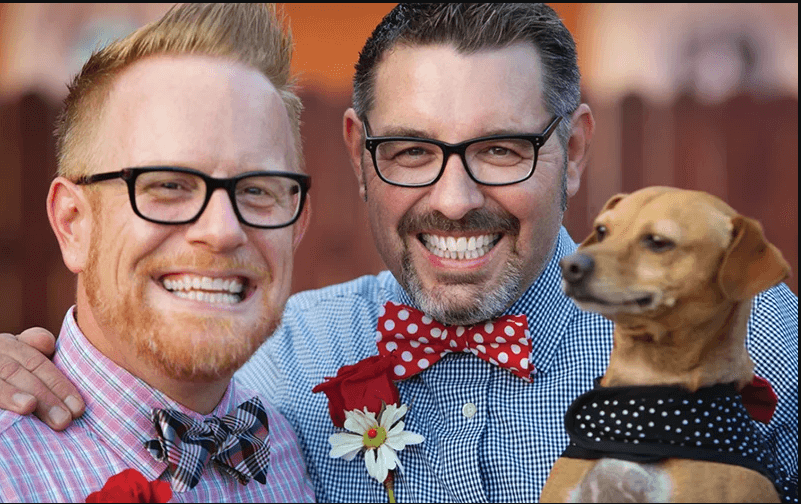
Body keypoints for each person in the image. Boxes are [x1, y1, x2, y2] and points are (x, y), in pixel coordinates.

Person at [1, 4, 797, 502]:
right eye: (412, 151)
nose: (453, 198)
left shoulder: (751, 331)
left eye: (499, 148)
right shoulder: (270, 360)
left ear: (576, 148)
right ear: (357, 154)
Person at [0, 3, 315, 502]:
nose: (222, 230)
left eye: (258, 189)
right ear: (72, 223)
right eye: (168, 184)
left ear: (297, 226)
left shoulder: (293, 453)